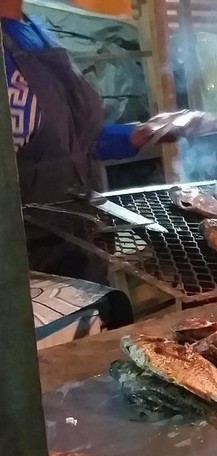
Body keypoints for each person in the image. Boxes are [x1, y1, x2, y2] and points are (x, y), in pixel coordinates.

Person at [0, 1, 187, 282]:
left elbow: (78, 140)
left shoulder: (37, 30)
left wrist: (140, 133)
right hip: (30, 265)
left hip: (86, 240)